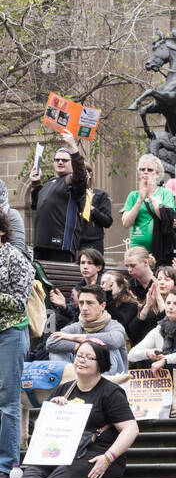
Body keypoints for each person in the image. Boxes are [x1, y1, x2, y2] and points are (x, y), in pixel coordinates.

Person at [0, 339, 138, 478]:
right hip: (63, 448)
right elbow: (42, 425)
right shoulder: (64, 389)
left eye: (90, 357)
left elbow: (131, 428)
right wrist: (53, 409)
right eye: (80, 355)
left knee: (65, 474)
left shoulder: (110, 392)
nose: (82, 360)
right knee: (36, 468)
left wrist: (108, 457)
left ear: (101, 364)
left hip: (97, 454)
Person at [0, 212, 32, 478]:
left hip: (10, 332)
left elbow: (20, 301)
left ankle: (7, 465)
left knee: (7, 401)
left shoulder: (15, 258)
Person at [29, 131, 89, 263]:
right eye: (57, 160)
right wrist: (35, 182)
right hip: (41, 243)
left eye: (65, 160)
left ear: (72, 162)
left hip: (61, 245)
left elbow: (81, 174)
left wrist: (73, 146)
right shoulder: (49, 182)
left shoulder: (72, 180)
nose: (60, 162)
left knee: (61, 282)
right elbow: (37, 204)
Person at [47, 284, 128, 375]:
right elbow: (51, 342)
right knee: (56, 352)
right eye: (81, 303)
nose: (84, 308)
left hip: (111, 382)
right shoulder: (77, 326)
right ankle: (71, 382)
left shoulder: (114, 325)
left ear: (102, 306)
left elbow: (115, 341)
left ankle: (92, 384)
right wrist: (77, 346)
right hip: (79, 376)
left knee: (107, 347)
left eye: (90, 303)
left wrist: (78, 338)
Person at [121, 153, 176, 267]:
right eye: (142, 169)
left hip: (160, 247)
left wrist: (150, 196)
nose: (145, 172)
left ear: (157, 174)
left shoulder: (165, 192)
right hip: (137, 249)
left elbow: (166, 218)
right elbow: (126, 223)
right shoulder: (133, 195)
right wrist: (140, 200)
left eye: (150, 169)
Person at [127, 289, 176, 369]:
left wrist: (166, 360)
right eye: (168, 303)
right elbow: (131, 355)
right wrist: (148, 353)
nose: (170, 307)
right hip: (166, 379)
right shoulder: (159, 328)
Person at [49, 248, 106, 329]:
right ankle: (48, 342)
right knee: (54, 318)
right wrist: (64, 306)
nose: (85, 267)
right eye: (82, 263)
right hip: (81, 321)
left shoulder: (104, 284)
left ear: (99, 267)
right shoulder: (78, 288)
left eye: (89, 263)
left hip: (100, 325)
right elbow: (73, 314)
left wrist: (80, 306)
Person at [99, 273, 148, 348]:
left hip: (124, 344)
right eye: (102, 284)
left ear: (120, 287)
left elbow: (119, 323)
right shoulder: (99, 302)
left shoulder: (131, 304)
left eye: (110, 284)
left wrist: (108, 295)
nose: (105, 287)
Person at [76, 171, 114, 258]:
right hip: (74, 243)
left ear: (90, 174)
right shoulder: (72, 195)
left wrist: (92, 209)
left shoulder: (101, 195)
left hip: (93, 243)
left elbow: (108, 221)